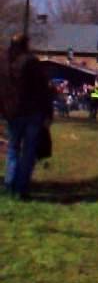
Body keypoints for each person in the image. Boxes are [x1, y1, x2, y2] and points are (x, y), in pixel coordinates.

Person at [1, 35, 52, 199]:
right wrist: (48, 113)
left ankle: (10, 185)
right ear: (26, 45)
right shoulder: (32, 63)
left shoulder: (4, 64)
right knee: (28, 151)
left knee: (12, 149)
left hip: (12, 113)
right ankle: (21, 189)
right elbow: (44, 89)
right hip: (32, 113)